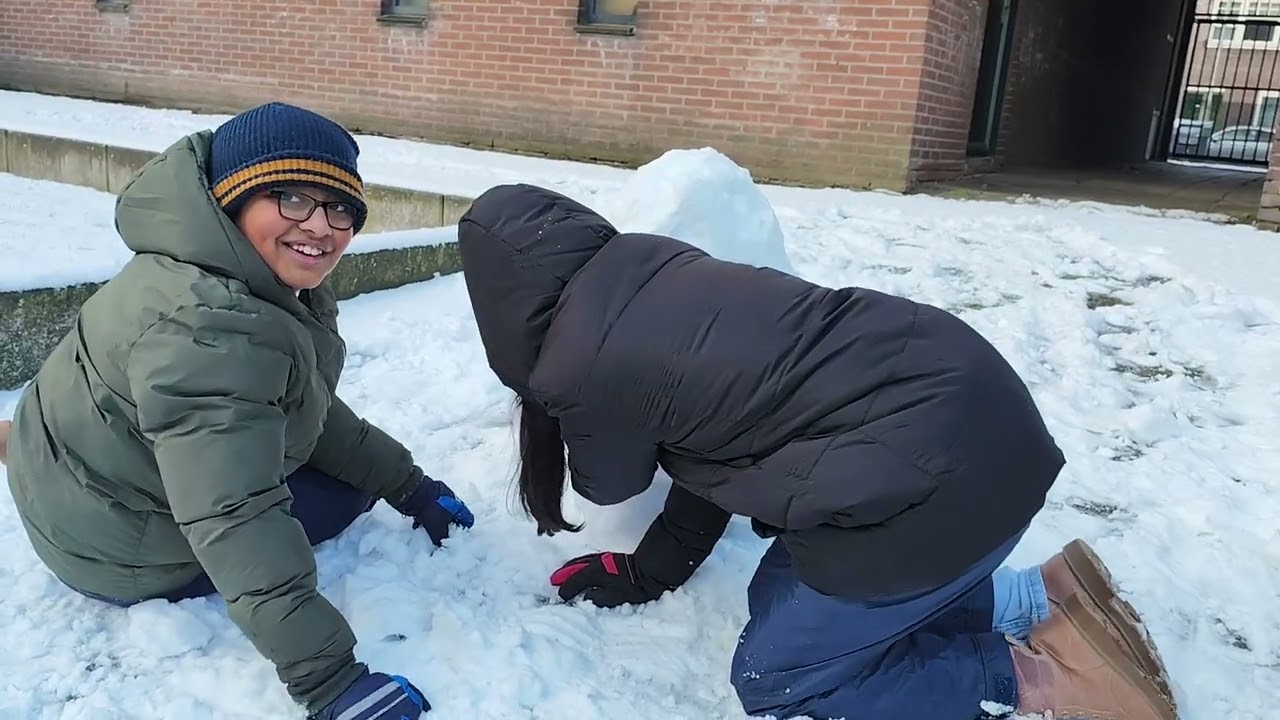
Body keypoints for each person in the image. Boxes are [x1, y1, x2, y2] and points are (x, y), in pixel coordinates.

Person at [455, 183, 1178, 720]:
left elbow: (608, 482)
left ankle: (1043, 679)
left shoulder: (576, 364)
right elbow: (712, 444)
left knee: (775, 679)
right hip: (984, 418)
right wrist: (651, 570)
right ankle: (1040, 594)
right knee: (776, 594)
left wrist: (561, 414)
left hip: (936, 491)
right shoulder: (662, 271)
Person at [1, 102, 475, 720]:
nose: (322, 226)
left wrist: (409, 485)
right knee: (336, 495)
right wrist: (330, 682)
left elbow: (302, 410)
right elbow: (236, 512)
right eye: (291, 198)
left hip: (82, 497)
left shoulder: (204, 267)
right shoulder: (213, 329)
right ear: (232, 199)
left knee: (330, 468)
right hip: (114, 550)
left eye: (341, 209)